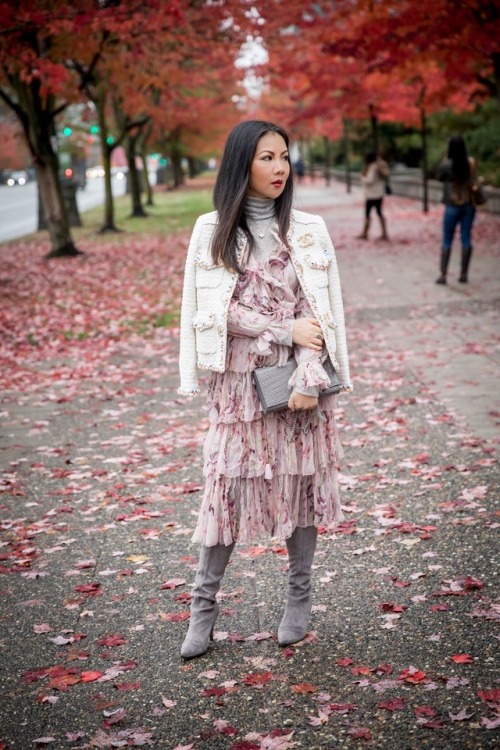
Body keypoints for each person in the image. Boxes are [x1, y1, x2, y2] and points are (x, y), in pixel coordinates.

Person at [178, 120, 352, 659]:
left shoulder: (308, 229)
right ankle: (203, 608)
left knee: (302, 488)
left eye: (284, 157)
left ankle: (298, 601)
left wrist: (308, 373)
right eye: (266, 158)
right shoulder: (212, 231)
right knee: (224, 490)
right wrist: (279, 330)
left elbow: (319, 312)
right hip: (238, 389)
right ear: (241, 165)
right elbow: (209, 313)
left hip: (302, 379)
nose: (280, 168)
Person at [436, 136, 478, 284]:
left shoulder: (446, 164)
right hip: (468, 205)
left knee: (447, 239)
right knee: (466, 238)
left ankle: (443, 274)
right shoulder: (470, 162)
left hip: (452, 205)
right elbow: (473, 178)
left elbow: (439, 177)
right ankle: (464, 274)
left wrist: (446, 157)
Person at [357, 151, 389, 241]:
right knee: (379, 213)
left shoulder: (373, 167)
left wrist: (361, 177)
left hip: (372, 195)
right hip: (378, 194)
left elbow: (369, 180)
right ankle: (384, 233)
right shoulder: (378, 166)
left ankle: (365, 233)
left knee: (368, 214)